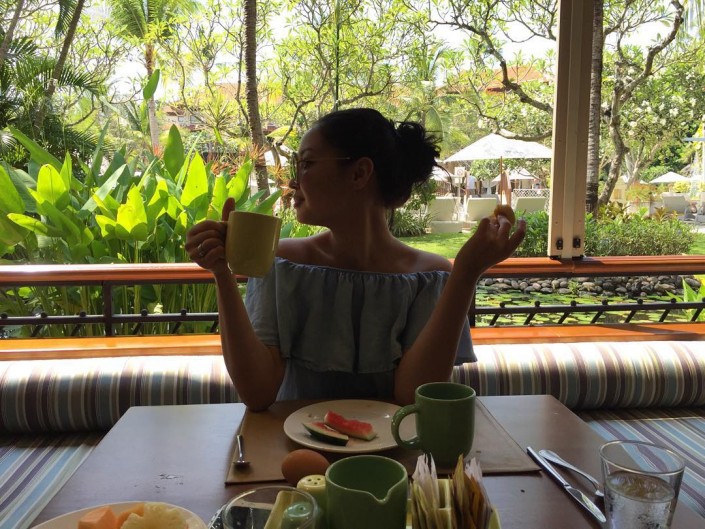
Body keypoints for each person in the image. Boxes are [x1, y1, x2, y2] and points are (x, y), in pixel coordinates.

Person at [186, 108, 525, 411]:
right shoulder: (281, 265)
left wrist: (465, 273)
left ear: (359, 174)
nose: (292, 181)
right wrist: (221, 273)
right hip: (292, 455)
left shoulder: (429, 277)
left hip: (394, 455)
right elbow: (257, 393)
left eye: (306, 164)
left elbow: (412, 396)